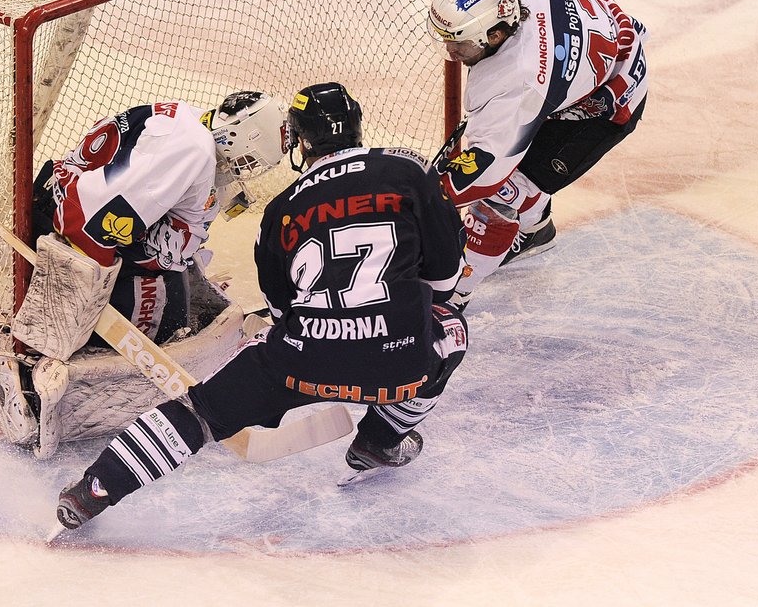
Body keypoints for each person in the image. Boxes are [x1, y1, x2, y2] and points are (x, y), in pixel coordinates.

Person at [55, 82, 469, 529]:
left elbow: (280, 311)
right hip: (399, 355)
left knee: (199, 413)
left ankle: (94, 489)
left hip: (302, 355)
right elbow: (444, 281)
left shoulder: (280, 209)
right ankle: (380, 440)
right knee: (454, 329)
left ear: (301, 141)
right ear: (357, 128)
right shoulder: (409, 169)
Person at [0, 91, 288, 458]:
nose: (248, 167)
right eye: (252, 157)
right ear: (239, 134)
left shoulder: (189, 126)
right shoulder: (191, 151)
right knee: (162, 318)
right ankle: (33, 368)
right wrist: (84, 287)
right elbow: (89, 223)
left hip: (78, 217)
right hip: (71, 235)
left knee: (178, 304)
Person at [426, 0, 649, 307]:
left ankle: (454, 295)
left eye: (462, 44)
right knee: (517, 164)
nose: (452, 52)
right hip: (589, 48)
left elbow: (486, 173)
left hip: (604, 106)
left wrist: (422, 198)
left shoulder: (519, 80)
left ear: (497, 34)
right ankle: (535, 230)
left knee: (501, 195)